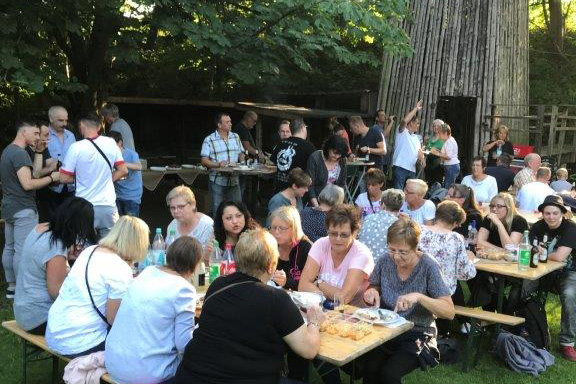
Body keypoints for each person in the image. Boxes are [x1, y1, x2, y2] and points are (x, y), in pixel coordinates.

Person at [174, 229, 326, 384]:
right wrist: (314, 322)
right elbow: (308, 350)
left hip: (191, 376)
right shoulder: (276, 299)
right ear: (270, 266)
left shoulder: (218, 285)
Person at [362, 218, 454, 384]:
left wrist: (419, 297)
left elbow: (449, 311)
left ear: (415, 247)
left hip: (417, 331)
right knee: (369, 369)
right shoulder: (385, 260)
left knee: (389, 375)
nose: (396, 256)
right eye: (392, 249)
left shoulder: (428, 266)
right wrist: (372, 292)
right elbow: (374, 285)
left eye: (403, 252)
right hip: (387, 329)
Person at [46, 216, 149, 358]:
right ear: (138, 243)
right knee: (140, 339)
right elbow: (114, 320)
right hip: (78, 343)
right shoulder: (120, 269)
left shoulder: (90, 251)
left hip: (54, 332)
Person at [105, 236, 203, 384]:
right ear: (194, 265)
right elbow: (184, 345)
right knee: (202, 367)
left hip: (114, 362)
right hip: (146, 372)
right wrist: (201, 327)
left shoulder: (148, 271)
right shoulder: (184, 289)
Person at [14, 197, 98, 334]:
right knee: (98, 320)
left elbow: (40, 258)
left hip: (23, 310)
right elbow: (57, 293)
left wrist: (67, 255)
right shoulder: (56, 248)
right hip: (40, 317)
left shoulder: (40, 228)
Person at [1, 121, 60, 298]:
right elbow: (28, 183)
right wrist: (52, 178)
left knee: (9, 247)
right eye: (35, 133)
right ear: (23, 131)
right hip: (23, 208)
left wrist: (40, 153)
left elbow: (32, 174)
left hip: (9, 207)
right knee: (22, 249)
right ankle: (21, 289)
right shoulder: (19, 154)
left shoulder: (7, 151)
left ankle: (12, 286)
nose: (37, 137)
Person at [59, 115, 127, 238]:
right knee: (110, 246)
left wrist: (84, 179)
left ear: (81, 126)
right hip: (108, 206)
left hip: (84, 206)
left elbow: (63, 178)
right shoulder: (111, 143)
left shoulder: (76, 147)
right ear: (100, 126)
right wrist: (106, 179)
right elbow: (123, 170)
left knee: (83, 246)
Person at [529, 195, 576, 361]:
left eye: (555, 213)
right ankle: (527, 329)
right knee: (524, 289)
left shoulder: (571, 228)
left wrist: (541, 253)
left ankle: (567, 342)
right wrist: (537, 252)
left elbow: (561, 257)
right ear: (542, 213)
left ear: (562, 213)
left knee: (570, 295)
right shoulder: (537, 227)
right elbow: (531, 248)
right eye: (547, 213)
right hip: (542, 269)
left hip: (568, 272)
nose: (551, 217)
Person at [299, 204, 375, 306]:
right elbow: (303, 286)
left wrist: (320, 284)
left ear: (354, 233)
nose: (338, 239)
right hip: (325, 310)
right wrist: (328, 299)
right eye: (333, 233)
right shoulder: (321, 244)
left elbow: (344, 298)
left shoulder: (361, 254)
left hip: (355, 315)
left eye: (344, 235)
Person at [419, 201, 476, 295]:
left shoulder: (419, 230)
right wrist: (470, 260)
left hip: (416, 287)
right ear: (454, 223)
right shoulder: (455, 238)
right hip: (441, 292)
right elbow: (464, 273)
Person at [200, 113, 245, 215]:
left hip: (234, 180)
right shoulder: (209, 140)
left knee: (237, 210)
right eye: (227, 122)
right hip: (217, 180)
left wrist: (242, 159)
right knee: (218, 212)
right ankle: (218, 231)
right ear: (219, 125)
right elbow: (204, 160)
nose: (230, 124)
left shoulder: (236, 136)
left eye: (230, 121)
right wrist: (218, 164)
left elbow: (241, 153)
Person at [269, 206, 312, 290]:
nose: (276, 232)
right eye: (274, 227)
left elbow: (309, 284)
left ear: (294, 228)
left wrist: (286, 282)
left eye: (282, 228)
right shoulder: (269, 243)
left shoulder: (306, 248)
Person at [358, 188, 404, 262]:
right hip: (383, 266)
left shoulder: (368, 218)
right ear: (400, 206)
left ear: (382, 205)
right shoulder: (399, 225)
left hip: (362, 262)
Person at [46, 106, 76, 216]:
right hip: (51, 186)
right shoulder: (43, 135)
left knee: (69, 220)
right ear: (51, 119)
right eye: (60, 120)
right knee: (52, 221)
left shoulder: (70, 136)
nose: (64, 123)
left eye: (66, 120)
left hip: (70, 186)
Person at [270, 118, 315, 191]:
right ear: (303, 128)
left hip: (279, 189)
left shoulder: (281, 144)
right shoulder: (308, 147)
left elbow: (274, 162)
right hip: (297, 191)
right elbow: (315, 169)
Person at [26, 121, 58, 222]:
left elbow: (52, 165)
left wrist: (48, 169)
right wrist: (49, 171)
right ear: (37, 135)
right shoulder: (26, 151)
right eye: (46, 135)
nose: (49, 138)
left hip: (46, 196)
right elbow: (35, 174)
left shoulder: (44, 149)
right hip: (32, 201)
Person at [392, 100, 426, 189]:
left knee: (411, 194)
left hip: (412, 169)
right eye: (417, 123)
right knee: (398, 194)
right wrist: (416, 109)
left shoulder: (417, 138)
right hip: (400, 167)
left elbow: (419, 153)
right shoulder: (402, 132)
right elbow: (404, 121)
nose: (418, 125)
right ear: (411, 123)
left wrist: (422, 159)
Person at [307, 134, 348, 207]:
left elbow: (342, 184)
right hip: (316, 199)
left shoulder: (342, 161)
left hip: (333, 201)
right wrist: (317, 206)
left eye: (339, 154)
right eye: (334, 152)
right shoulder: (315, 158)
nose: (336, 156)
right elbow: (310, 185)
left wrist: (340, 205)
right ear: (328, 148)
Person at [108, 131, 143, 217]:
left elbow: (139, 166)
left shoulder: (131, 154)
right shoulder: (109, 155)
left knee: (131, 226)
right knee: (119, 225)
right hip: (117, 195)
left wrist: (122, 164)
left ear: (120, 143)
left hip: (132, 196)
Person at [431, 123, 460, 188]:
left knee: (448, 187)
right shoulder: (448, 140)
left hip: (451, 167)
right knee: (447, 185)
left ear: (446, 133)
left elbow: (448, 156)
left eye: (440, 133)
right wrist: (437, 151)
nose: (438, 135)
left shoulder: (449, 141)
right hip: (450, 166)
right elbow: (446, 154)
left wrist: (436, 153)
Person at [423, 119, 445, 187]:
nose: (435, 127)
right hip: (428, 165)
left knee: (437, 185)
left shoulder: (444, 139)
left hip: (438, 166)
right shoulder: (428, 139)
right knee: (428, 184)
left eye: (438, 126)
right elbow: (424, 150)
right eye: (434, 126)